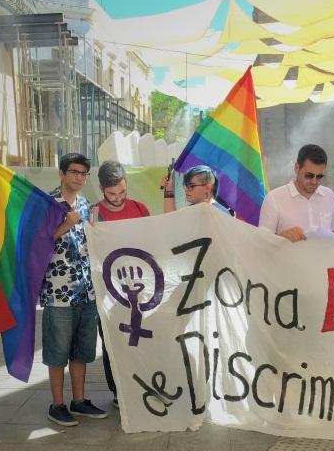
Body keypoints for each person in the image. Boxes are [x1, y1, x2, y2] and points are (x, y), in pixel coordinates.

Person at [40, 153, 106, 427]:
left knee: (82, 350)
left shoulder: (84, 202)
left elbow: (88, 239)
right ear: (62, 174)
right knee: (57, 352)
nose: (79, 177)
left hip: (85, 291)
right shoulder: (47, 205)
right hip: (58, 293)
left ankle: (79, 400)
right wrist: (66, 224)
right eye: (75, 172)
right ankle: (57, 404)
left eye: (83, 173)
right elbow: (36, 243)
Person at [89, 161, 151, 408]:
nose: (117, 198)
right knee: (112, 340)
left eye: (122, 192)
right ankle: (118, 390)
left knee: (141, 339)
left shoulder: (140, 208)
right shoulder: (94, 214)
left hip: (140, 286)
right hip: (109, 290)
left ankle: (143, 383)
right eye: (111, 193)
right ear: (102, 189)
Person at [259, 144, 334, 242]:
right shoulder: (274, 198)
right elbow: (262, 242)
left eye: (319, 177)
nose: (314, 181)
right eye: (309, 175)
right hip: (287, 257)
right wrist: (282, 237)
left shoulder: (329, 195)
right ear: (296, 168)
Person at [162, 165, 230, 213]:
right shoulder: (197, 209)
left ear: (208, 188)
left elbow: (173, 224)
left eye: (191, 186)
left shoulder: (215, 213)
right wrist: (168, 189)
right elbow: (172, 222)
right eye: (186, 185)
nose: (186, 189)